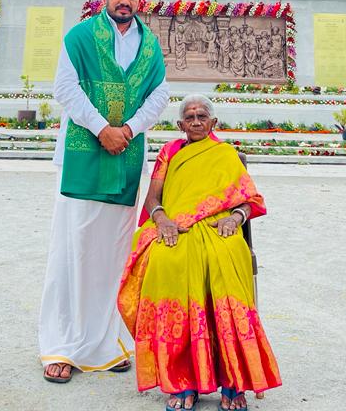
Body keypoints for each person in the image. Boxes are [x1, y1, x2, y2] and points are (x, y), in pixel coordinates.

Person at [38, 0, 170, 382]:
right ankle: (61, 346)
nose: (124, 2)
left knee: (114, 256)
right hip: (85, 157)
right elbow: (65, 88)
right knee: (73, 252)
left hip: (126, 159)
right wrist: (102, 129)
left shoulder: (150, 47)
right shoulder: (79, 38)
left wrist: (128, 130)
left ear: (139, 0)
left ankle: (105, 343)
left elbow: (161, 93)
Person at [117, 94, 281, 410]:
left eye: (202, 115)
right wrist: (162, 219)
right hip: (175, 225)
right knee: (164, 260)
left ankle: (233, 382)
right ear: (180, 124)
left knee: (227, 259)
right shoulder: (170, 152)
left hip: (219, 227)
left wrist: (236, 218)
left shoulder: (225, 154)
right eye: (189, 117)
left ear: (213, 122)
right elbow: (153, 197)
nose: (195, 121)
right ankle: (183, 380)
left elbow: (249, 199)